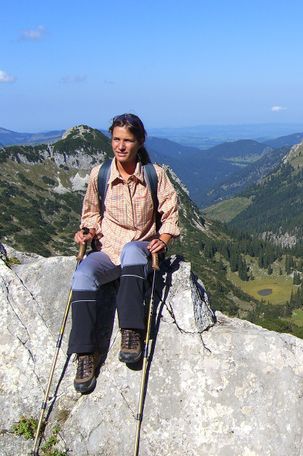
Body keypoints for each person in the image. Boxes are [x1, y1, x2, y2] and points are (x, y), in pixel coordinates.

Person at [68, 113, 180, 394]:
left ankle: (131, 332)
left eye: (127, 140)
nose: (120, 146)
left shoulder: (155, 175)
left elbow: (170, 211)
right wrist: (88, 232)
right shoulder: (101, 174)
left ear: (140, 142)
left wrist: (164, 238)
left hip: (141, 246)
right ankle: (84, 355)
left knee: (132, 251)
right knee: (82, 276)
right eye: (116, 139)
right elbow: (92, 212)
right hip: (108, 249)